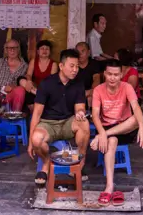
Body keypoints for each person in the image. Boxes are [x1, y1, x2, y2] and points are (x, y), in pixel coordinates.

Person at [90, 60, 143, 206]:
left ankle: (104, 135)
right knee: (111, 141)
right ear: (104, 74)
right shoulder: (98, 90)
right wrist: (103, 132)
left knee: (136, 118)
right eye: (109, 74)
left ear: (121, 75)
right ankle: (109, 186)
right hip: (107, 127)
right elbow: (95, 115)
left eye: (116, 75)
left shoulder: (127, 87)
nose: (112, 78)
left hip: (124, 127)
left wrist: (142, 128)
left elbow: (136, 108)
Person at [29, 49, 90, 186]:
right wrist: (30, 142)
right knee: (37, 139)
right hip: (48, 124)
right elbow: (37, 114)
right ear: (61, 66)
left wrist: (80, 112)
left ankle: (80, 163)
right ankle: (45, 164)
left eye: (77, 66)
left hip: (67, 123)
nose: (75, 70)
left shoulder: (78, 84)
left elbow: (80, 107)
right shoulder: (46, 84)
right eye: (72, 66)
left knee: (84, 123)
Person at [0, 39, 29, 111]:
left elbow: (26, 84)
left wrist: (13, 86)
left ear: (18, 49)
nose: (12, 50)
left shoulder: (25, 66)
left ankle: (15, 117)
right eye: (9, 48)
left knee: (20, 90)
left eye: (15, 48)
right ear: (6, 50)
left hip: (10, 96)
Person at [20, 40, 58, 108]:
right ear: (38, 51)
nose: (44, 51)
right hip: (34, 89)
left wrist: (42, 90)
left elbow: (52, 81)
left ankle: (40, 95)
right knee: (20, 79)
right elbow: (28, 75)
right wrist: (29, 81)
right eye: (42, 48)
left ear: (50, 52)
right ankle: (38, 94)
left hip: (47, 90)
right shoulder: (34, 61)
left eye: (47, 49)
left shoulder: (53, 64)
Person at [75, 42, 101, 106]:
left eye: (83, 51)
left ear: (89, 52)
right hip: (75, 94)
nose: (80, 54)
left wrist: (90, 91)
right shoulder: (73, 64)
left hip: (89, 93)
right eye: (77, 52)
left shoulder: (94, 64)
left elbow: (96, 79)